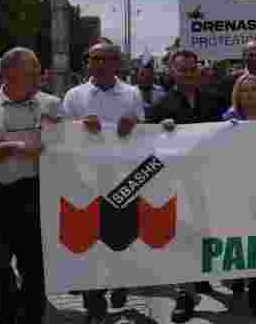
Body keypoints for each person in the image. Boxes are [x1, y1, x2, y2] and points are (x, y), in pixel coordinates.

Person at [0, 47, 62, 324]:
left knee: (35, 267)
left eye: (37, 71)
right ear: (8, 74)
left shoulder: (52, 104)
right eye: (30, 72)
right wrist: (15, 148)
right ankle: (7, 307)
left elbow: (68, 144)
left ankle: (30, 314)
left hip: (36, 194)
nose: (38, 77)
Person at [62, 41, 146, 323]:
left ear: (115, 64)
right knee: (90, 242)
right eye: (92, 59)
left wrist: (133, 124)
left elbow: (145, 132)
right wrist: (79, 128)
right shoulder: (75, 95)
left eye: (102, 59)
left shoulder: (132, 94)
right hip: (87, 180)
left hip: (124, 179)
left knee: (121, 239)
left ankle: (121, 281)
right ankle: (94, 303)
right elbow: (61, 134)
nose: (95, 64)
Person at [151, 49, 224, 323]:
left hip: (209, 180)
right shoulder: (161, 106)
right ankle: (184, 294)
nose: (188, 73)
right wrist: (159, 128)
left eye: (192, 68)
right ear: (172, 72)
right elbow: (148, 145)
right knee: (181, 236)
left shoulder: (215, 101)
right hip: (176, 183)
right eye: (182, 69)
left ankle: (201, 277)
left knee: (205, 231)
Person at [221, 73, 256, 316]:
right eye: (245, 90)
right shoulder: (227, 119)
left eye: (254, 89)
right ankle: (237, 287)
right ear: (237, 94)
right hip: (236, 190)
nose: (249, 94)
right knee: (239, 242)